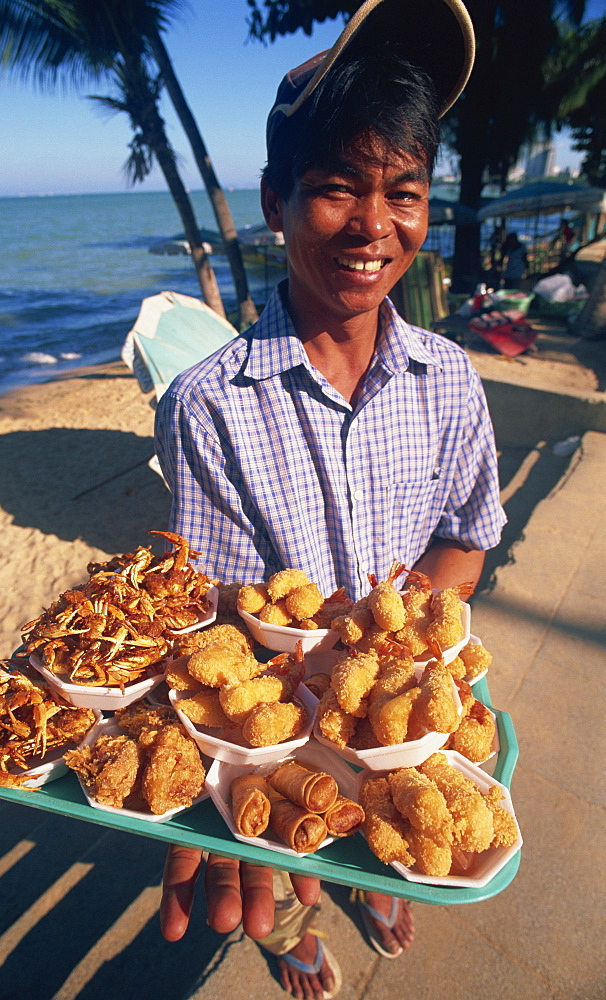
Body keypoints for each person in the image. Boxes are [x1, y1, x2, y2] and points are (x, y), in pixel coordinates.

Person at [155, 1, 505, 997]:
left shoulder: (450, 380)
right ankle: (296, 940)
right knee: (263, 883)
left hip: (403, 725)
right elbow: (216, 618)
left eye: (402, 190)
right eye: (336, 187)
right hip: (279, 746)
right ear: (275, 201)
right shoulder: (209, 406)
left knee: (407, 847)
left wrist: (410, 678)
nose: (372, 224)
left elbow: (462, 544)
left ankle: (382, 879)